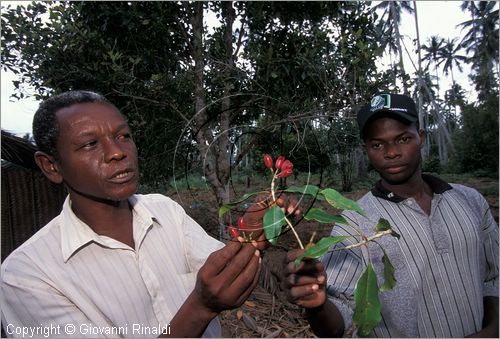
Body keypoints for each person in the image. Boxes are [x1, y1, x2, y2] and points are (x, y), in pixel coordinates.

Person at [0, 90, 264, 338]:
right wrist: (201, 307)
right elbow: (206, 297)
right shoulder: (26, 276)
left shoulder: (165, 210)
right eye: (90, 144)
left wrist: (251, 232)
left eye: (123, 136)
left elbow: (223, 271)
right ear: (51, 166)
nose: (117, 152)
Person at [281, 93, 499, 337]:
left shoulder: (470, 201)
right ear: (367, 150)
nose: (392, 152)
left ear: (422, 138)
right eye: (377, 144)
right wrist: (318, 305)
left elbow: (494, 276)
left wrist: (493, 328)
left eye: (403, 138)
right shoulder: (353, 223)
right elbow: (338, 320)